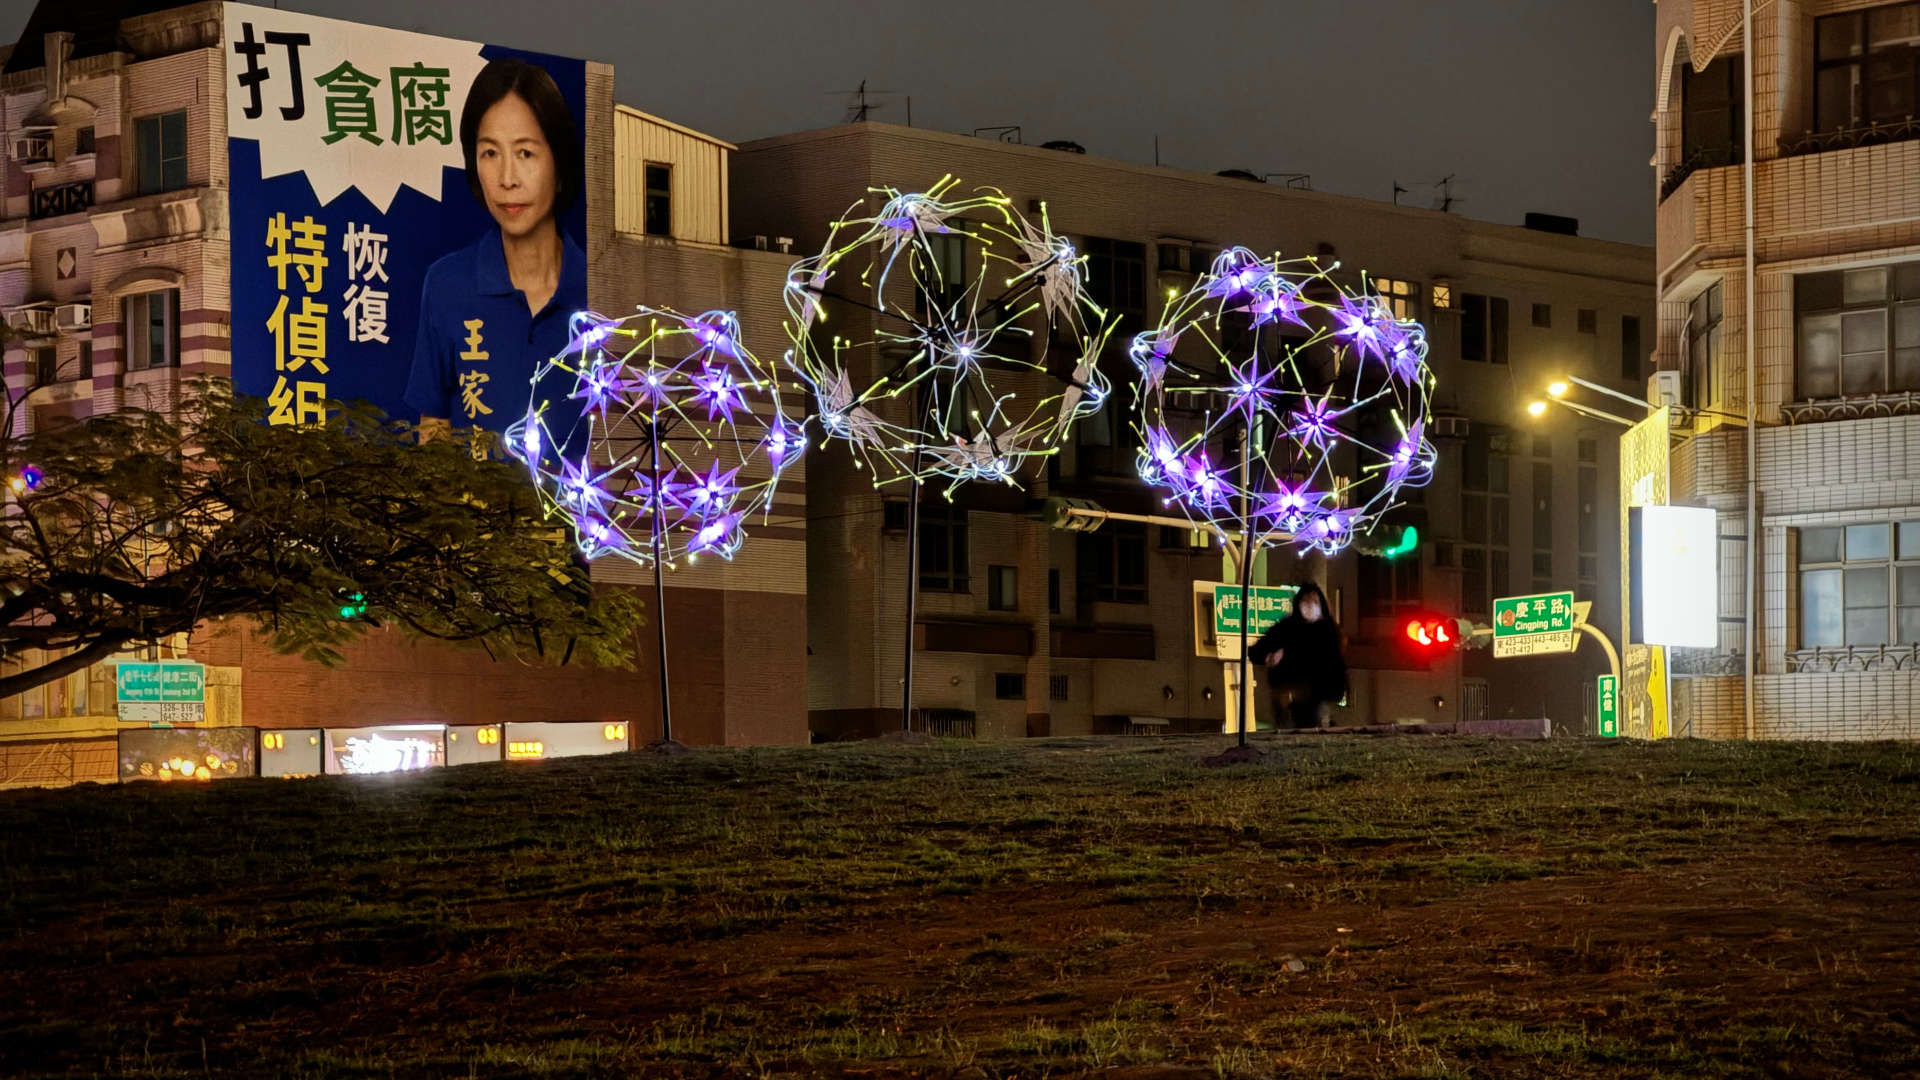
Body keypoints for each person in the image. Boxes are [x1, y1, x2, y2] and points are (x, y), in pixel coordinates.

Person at [405, 58, 586, 445]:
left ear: (560, 163)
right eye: (490, 153)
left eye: (525, 154)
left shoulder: (597, 289)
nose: (506, 179)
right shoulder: (447, 284)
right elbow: (433, 431)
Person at [1248, 581, 1348, 730]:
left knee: (1313, 731)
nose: (1310, 605)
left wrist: (1336, 691)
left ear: (1322, 605)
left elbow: (1337, 666)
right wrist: (1271, 657)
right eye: (1306, 600)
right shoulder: (1286, 628)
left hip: (1317, 698)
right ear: (1298, 603)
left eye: (1314, 601)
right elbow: (1256, 651)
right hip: (1287, 696)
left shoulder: (1330, 632)